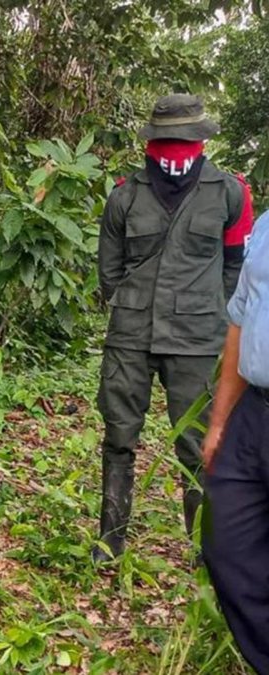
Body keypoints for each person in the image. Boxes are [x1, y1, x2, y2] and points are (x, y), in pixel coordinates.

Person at [93, 94, 253, 563]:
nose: (175, 150)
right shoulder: (125, 194)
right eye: (167, 140)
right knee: (119, 436)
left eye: (185, 139)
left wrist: (209, 313)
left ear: (201, 140)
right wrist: (136, 304)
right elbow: (110, 271)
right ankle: (110, 541)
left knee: (198, 444)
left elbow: (236, 267)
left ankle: (205, 549)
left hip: (197, 341)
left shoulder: (230, 193)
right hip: (131, 338)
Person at [202, 210, 269, 675]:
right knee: (227, 545)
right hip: (253, 412)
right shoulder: (265, 226)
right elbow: (240, 321)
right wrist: (219, 421)